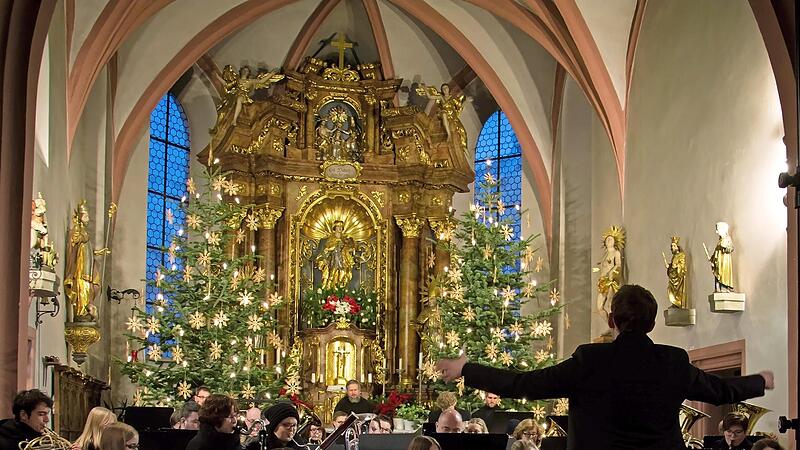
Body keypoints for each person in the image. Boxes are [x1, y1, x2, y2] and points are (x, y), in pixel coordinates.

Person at [436, 284, 774, 450]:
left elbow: (523, 384)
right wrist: (759, 381)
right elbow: (721, 392)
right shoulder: (672, 362)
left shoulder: (590, 361)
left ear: (611, 319)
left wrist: (468, 368)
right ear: (652, 324)